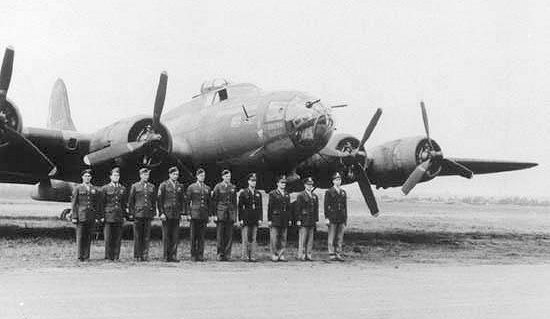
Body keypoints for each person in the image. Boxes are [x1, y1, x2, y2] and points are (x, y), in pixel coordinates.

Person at [71, 169, 101, 261]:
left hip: (90, 215)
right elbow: (74, 203)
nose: (87, 178)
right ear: (82, 177)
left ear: (91, 178)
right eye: (85, 176)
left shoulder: (94, 189)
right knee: (80, 236)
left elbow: (96, 204)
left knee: (88, 236)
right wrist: (74, 216)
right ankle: (80, 256)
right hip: (81, 215)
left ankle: (86, 256)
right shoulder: (78, 188)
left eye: (89, 176)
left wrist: (96, 217)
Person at [157, 166, 185, 262]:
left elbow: (181, 200)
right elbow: (160, 200)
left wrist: (181, 212)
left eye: (177, 174)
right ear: (170, 175)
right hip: (167, 213)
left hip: (176, 213)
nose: (175, 176)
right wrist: (161, 213)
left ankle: (173, 255)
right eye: (174, 174)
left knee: (175, 236)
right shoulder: (163, 185)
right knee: (166, 236)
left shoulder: (180, 186)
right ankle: (166, 256)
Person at [128, 167, 156, 261]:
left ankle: (145, 255)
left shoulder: (152, 186)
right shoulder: (135, 186)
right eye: (144, 174)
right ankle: (137, 255)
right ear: (140, 175)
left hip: (148, 214)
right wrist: (132, 213)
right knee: (137, 236)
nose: (146, 176)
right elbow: (131, 201)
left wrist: (153, 212)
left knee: (146, 236)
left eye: (147, 174)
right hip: (138, 214)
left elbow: (153, 200)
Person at [100, 167, 127, 261]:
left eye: (118, 175)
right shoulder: (105, 188)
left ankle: (116, 256)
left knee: (118, 237)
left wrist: (124, 216)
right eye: (114, 175)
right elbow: (102, 203)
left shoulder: (122, 188)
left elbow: (123, 204)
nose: (116, 177)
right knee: (108, 237)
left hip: (119, 215)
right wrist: (102, 216)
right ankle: (108, 256)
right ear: (110, 177)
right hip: (108, 215)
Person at [185, 168, 211, 261]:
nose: (202, 177)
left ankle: (200, 254)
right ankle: (193, 255)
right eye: (200, 175)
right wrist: (188, 213)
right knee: (193, 236)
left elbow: (209, 202)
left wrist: (208, 214)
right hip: (194, 214)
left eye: (203, 176)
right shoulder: (191, 187)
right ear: (197, 176)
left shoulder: (207, 188)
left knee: (201, 236)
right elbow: (187, 202)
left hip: (203, 214)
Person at [211, 169, 238, 261]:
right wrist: (214, 214)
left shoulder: (233, 187)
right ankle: (220, 254)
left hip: (230, 214)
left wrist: (235, 215)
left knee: (229, 235)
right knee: (220, 235)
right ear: (223, 177)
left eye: (229, 176)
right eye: (226, 176)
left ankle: (227, 254)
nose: (228, 178)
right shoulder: (218, 187)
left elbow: (234, 203)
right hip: (221, 214)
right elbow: (214, 201)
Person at [238, 172, 263, 262]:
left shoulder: (258, 193)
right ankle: (245, 256)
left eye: (255, 181)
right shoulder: (243, 193)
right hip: (246, 217)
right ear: (248, 182)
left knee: (253, 238)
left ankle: (253, 256)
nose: (253, 183)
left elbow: (260, 207)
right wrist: (240, 219)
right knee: (245, 238)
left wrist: (260, 218)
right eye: (252, 181)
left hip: (255, 217)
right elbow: (240, 207)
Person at [324, 172, 347, 261]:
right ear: (333, 181)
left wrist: (345, 219)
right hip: (332, 217)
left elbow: (345, 207)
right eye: (336, 180)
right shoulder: (329, 192)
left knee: (339, 237)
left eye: (339, 180)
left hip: (341, 218)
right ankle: (331, 254)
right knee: (332, 237)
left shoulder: (343, 192)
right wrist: (327, 218)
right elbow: (326, 206)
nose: (338, 181)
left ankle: (338, 253)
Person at [267, 175, 291, 262]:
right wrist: (269, 220)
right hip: (275, 218)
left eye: (284, 183)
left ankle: (281, 254)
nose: (283, 184)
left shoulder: (287, 194)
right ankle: (274, 254)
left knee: (283, 237)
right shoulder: (273, 194)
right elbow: (270, 207)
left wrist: (289, 219)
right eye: (282, 183)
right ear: (277, 184)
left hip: (284, 218)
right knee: (274, 238)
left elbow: (288, 208)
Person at [295, 177, 319, 261]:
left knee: (310, 239)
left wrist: (316, 220)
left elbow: (316, 209)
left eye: (311, 185)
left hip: (311, 220)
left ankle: (308, 254)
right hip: (304, 219)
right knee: (303, 238)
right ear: (305, 185)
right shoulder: (301, 195)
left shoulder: (314, 196)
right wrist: (298, 219)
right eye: (308, 184)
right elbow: (298, 209)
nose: (310, 186)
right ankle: (301, 255)